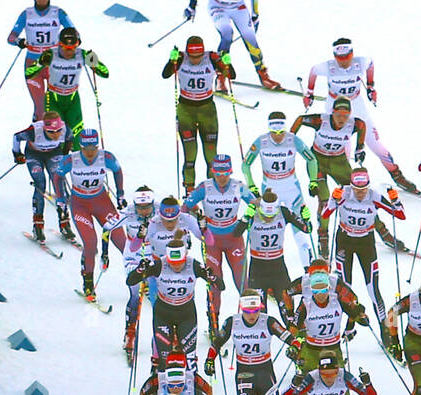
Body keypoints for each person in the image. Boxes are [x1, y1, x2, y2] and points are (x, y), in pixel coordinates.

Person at [303, 38, 418, 190]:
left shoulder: (360, 63)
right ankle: (347, 182)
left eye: (347, 57)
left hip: (357, 104)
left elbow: (371, 64)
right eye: (340, 58)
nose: (343, 62)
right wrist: (309, 93)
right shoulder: (328, 67)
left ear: (352, 54)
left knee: (376, 145)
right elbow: (313, 71)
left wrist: (370, 86)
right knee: (343, 148)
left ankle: (397, 175)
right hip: (335, 108)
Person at [320, 168, 405, 327]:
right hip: (345, 241)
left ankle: (385, 330)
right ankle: (347, 326)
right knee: (345, 288)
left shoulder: (374, 196)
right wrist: (333, 200)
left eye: (363, 189)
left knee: (373, 289)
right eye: (357, 189)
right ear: (351, 186)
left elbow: (400, 215)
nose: (360, 193)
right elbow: (325, 214)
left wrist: (395, 201)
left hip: (366, 243)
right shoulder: (344, 194)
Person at [183, 155, 259, 333]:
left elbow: (255, 203)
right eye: (218, 173)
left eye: (226, 173)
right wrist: (194, 220)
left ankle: (251, 318)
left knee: (242, 281)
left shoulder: (238, 186)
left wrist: (251, 213)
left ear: (230, 172)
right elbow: (185, 208)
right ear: (213, 172)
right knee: (215, 282)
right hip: (212, 241)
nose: (222, 177)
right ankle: (214, 322)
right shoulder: (205, 187)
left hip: (234, 238)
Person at [52, 128, 125, 299]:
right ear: (81, 147)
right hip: (80, 205)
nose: (91, 153)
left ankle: (141, 280)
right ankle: (88, 282)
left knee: (121, 241)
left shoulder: (106, 157)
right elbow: (57, 177)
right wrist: (61, 199)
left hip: (102, 202)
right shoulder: (72, 159)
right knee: (91, 243)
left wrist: (120, 193)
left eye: (94, 148)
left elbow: (117, 171)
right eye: (87, 149)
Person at [291, 98, 367, 259]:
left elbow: (362, 126)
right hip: (317, 161)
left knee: (358, 191)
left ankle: (379, 228)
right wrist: (291, 138)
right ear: (332, 112)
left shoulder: (353, 124)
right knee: (325, 199)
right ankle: (323, 235)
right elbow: (300, 119)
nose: (342, 119)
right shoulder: (321, 120)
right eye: (338, 114)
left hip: (338, 162)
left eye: (345, 115)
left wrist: (360, 146)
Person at [183, 0, 280, 89]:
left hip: (238, 8)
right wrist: (191, 6)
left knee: (251, 39)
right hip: (218, 8)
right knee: (227, 35)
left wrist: (255, 16)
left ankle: (264, 76)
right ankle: (221, 77)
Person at [127, 237, 219, 368]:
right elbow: (130, 281)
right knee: (164, 358)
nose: (176, 266)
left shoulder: (194, 265)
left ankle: (191, 384)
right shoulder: (159, 265)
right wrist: (140, 270)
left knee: (190, 358)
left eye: (179, 262)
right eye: (172, 263)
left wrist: (212, 277)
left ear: (185, 257)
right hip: (163, 314)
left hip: (186, 314)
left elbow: (221, 286)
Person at [243, 111, 318, 266]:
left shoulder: (293, 140)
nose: (278, 137)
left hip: (292, 189)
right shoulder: (262, 141)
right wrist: (251, 184)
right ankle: (263, 264)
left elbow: (312, 159)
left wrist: (313, 181)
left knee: (301, 231)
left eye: (281, 132)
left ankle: (308, 267)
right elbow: (246, 164)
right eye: (274, 133)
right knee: (266, 228)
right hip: (270, 191)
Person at [162, 37, 234, 194]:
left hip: (207, 110)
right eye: (192, 57)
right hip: (186, 110)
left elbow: (231, 75)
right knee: (190, 152)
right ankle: (189, 187)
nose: (195, 60)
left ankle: (213, 186)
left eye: (198, 57)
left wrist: (227, 63)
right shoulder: (181, 59)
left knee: (210, 153)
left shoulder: (211, 58)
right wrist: (171, 61)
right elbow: (165, 74)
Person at [24, 26, 106, 148]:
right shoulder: (51, 54)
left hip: (73, 99)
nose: (69, 51)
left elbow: (105, 73)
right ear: (59, 44)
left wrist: (96, 62)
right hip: (53, 99)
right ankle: (57, 162)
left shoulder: (82, 54)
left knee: (76, 134)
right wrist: (40, 63)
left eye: (73, 47)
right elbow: (29, 73)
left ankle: (77, 163)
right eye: (65, 47)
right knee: (56, 133)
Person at [7, 0, 75, 120]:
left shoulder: (59, 12)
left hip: (54, 64)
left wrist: (67, 41)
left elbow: (75, 34)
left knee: (55, 107)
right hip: (33, 64)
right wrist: (18, 41)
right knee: (40, 107)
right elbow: (11, 37)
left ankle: (58, 139)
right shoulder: (27, 14)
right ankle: (35, 139)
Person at [103, 186, 157, 360]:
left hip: (155, 254)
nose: (143, 211)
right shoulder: (128, 213)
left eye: (147, 206)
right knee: (135, 294)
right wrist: (104, 253)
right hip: (133, 256)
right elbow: (106, 228)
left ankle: (166, 334)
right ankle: (130, 334)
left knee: (160, 296)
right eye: (140, 207)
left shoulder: (160, 210)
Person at [243, 188, 312, 322]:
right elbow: (236, 233)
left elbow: (307, 229)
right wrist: (245, 218)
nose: (269, 219)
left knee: (289, 314)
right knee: (258, 316)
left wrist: (306, 218)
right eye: (265, 215)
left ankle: (296, 340)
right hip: (258, 271)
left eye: (272, 215)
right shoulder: (253, 213)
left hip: (278, 269)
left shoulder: (284, 212)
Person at [288, 259, 369, 372]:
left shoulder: (337, 293)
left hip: (332, 344)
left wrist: (354, 323)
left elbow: (354, 304)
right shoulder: (304, 294)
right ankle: (301, 356)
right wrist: (294, 342)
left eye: (323, 289)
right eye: (316, 290)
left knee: (339, 378)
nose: (320, 294)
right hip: (311, 335)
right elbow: (286, 293)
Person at [12, 109, 73, 244]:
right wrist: (17, 154)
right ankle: (38, 225)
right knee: (40, 184)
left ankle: (64, 223)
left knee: (58, 182)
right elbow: (16, 137)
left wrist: (64, 155)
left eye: (58, 131)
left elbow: (69, 139)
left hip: (53, 153)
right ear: (44, 128)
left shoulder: (66, 130)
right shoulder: (34, 131)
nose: (56, 134)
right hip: (34, 155)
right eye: (51, 132)